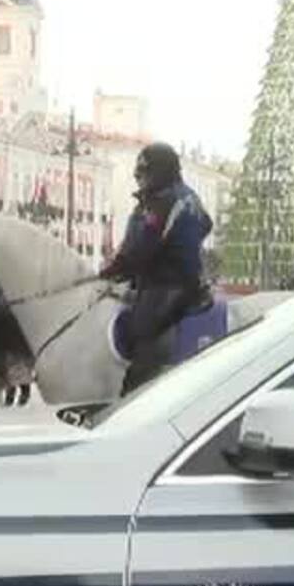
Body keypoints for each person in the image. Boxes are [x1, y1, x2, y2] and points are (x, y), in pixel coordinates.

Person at [100, 141, 213, 395]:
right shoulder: (183, 196)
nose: (139, 180)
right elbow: (207, 224)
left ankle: (137, 392)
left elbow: (144, 244)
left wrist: (116, 268)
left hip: (168, 284)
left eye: (143, 174)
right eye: (138, 174)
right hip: (179, 279)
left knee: (144, 328)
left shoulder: (166, 201)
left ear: (159, 172)